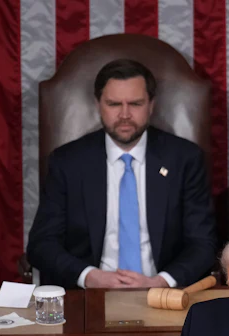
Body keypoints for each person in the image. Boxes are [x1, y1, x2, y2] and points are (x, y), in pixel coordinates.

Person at [27, 59, 217, 289]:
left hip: (163, 294)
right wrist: (88, 276)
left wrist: (162, 282)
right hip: (90, 296)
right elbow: (42, 244)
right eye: (114, 104)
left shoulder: (184, 159)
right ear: (99, 104)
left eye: (135, 104)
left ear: (151, 105)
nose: (125, 114)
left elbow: (203, 243)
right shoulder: (68, 162)